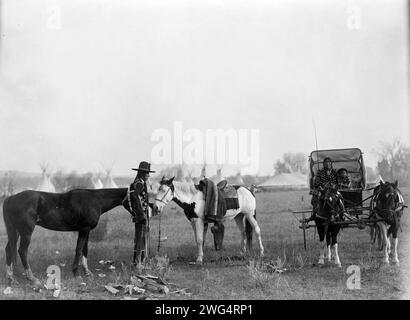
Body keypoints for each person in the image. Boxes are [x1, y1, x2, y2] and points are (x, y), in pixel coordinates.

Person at [130, 161, 155, 265]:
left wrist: (151, 205)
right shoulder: (139, 184)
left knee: (142, 238)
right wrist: (141, 215)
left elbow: (142, 199)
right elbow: (135, 198)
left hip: (142, 215)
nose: (148, 175)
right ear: (142, 173)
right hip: (141, 217)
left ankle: (140, 261)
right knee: (140, 238)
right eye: (147, 173)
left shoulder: (140, 182)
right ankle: (138, 262)